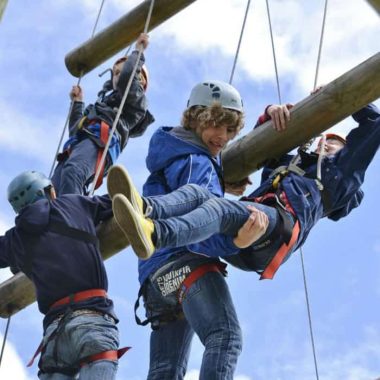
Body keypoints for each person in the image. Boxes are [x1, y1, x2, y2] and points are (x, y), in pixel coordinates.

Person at [110, 101, 380, 282]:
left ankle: (155, 233)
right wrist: (270, 113)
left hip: (277, 229)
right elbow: (261, 146)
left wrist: (339, 100)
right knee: (203, 196)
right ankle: (146, 208)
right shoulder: (289, 165)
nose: (326, 144)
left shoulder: (344, 174)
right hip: (246, 235)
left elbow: (374, 123)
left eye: (334, 144)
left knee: (217, 208)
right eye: (325, 140)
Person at [107, 80, 246, 380]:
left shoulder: (175, 153)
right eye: (215, 126)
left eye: (230, 130)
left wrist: (223, 182)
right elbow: (202, 214)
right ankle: (150, 218)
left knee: (164, 369)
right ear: (194, 119)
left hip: (155, 279)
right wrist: (235, 241)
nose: (222, 136)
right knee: (224, 336)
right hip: (187, 262)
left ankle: (145, 211)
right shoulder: (197, 160)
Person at [0, 171, 127, 379]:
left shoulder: (14, 240)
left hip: (55, 336)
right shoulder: (72, 204)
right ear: (48, 192)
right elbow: (119, 200)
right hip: (92, 319)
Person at [52, 32, 155, 196]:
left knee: (73, 171)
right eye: (115, 73)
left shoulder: (135, 103)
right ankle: (59, 216)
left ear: (140, 81)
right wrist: (77, 103)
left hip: (101, 142)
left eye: (122, 71)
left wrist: (138, 53)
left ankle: (72, 218)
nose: (118, 75)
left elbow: (127, 79)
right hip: (82, 142)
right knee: (52, 190)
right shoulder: (100, 106)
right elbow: (75, 130)